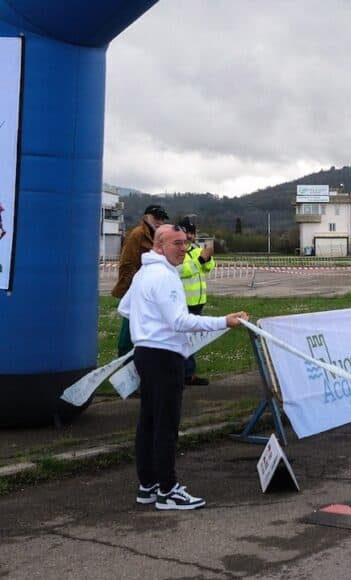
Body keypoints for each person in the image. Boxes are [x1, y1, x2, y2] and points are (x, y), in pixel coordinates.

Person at [118, 224, 247, 510]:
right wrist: (223, 322)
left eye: (186, 243)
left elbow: (124, 309)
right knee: (165, 424)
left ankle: (148, 485)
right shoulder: (164, 276)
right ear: (159, 246)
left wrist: (146, 325)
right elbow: (180, 321)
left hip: (146, 354)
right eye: (177, 243)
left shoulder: (144, 273)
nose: (183, 249)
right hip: (164, 357)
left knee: (149, 421)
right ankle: (168, 489)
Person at [112, 204, 169, 356]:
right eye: (156, 218)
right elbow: (127, 263)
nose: (159, 222)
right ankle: (124, 359)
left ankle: (140, 362)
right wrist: (134, 288)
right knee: (130, 326)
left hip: (151, 290)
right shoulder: (137, 234)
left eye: (162, 219)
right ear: (146, 217)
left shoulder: (157, 236)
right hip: (136, 288)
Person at [176, 216, 216, 386]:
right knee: (183, 340)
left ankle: (188, 373)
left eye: (193, 232)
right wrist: (200, 260)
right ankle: (183, 374)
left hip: (198, 301)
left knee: (192, 340)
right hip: (185, 302)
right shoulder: (179, 250)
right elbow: (181, 270)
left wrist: (206, 258)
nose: (191, 236)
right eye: (188, 232)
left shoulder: (195, 249)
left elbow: (209, 267)